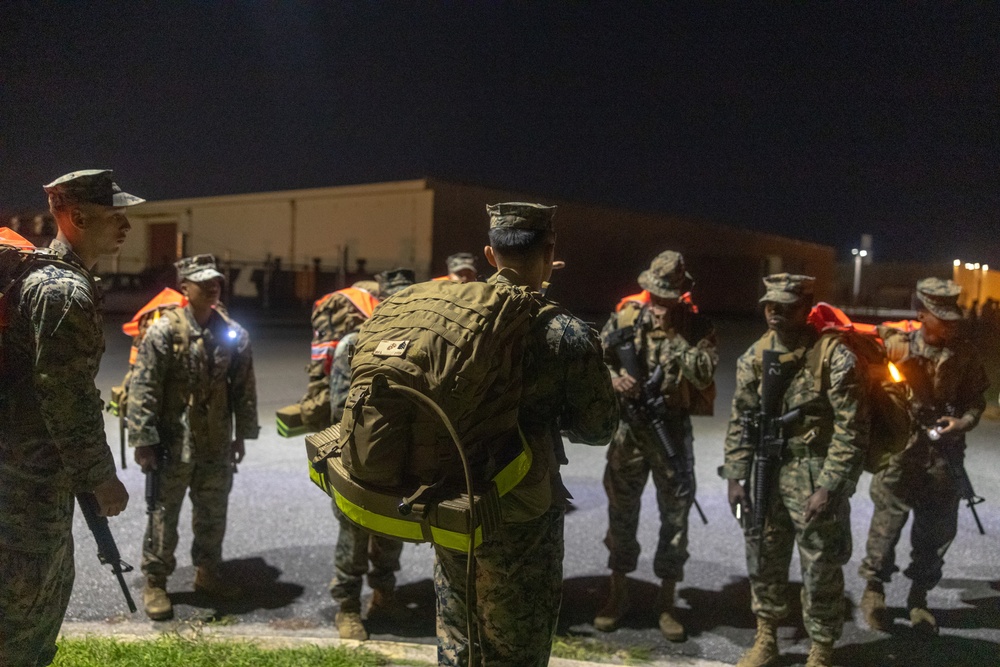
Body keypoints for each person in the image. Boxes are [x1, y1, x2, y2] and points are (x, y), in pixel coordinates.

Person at [435, 202, 618, 666]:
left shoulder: (449, 317)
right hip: (521, 512)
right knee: (516, 646)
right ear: (550, 252)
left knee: (458, 637)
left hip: (451, 498)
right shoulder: (565, 333)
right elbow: (599, 429)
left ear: (489, 254)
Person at [0, 170, 136, 666]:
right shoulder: (61, 291)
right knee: (23, 614)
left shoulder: (51, 279)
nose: (126, 226)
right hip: (26, 482)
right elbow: (66, 396)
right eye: (114, 216)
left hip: (30, 473)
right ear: (77, 216)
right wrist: (100, 476)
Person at [720, 273, 867, 667]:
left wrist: (830, 486)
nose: (776, 313)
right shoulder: (755, 356)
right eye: (770, 305)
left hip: (814, 471)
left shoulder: (834, 357)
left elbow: (852, 430)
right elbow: (741, 419)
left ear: (806, 308)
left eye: (786, 306)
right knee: (763, 555)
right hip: (767, 471)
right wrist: (735, 476)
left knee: (820, 564)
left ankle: (822, 648)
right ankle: (766, 638)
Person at [594, 251, 718, 640]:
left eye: (669, 296)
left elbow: (703, 374)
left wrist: (676, 338)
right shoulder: (626, 318)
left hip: (671, 433)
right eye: (657, 294)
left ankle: (666, 602)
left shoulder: (696, 326)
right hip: (629, 432)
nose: (661, 302)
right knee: (621, 513)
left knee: (675, 519)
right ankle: (618, 594)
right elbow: (594, 360)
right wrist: (614, 379)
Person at [128, 254, 260, 620]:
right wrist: (143, 440)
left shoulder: (232, 333)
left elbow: (243, 388)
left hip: (216, 441)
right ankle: (156, 581)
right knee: (163, 514)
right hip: (172, 443)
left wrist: (242, 435)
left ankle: (208, 573)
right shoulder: (163, 332)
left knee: (213, 512)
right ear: (184, 287)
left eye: (216, 281)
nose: (212, 287)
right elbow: (144, 387)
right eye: (203, 282)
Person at [858, 278, 988, 635]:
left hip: (944, 457)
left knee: (936, 533)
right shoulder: (896, 347)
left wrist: (963, 422)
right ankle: (874, 592)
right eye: (940, 318)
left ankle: (919, 598)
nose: (948, 325)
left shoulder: (964, 355)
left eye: (951, 319)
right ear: (921, 315)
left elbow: (976, 400)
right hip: (899, 456)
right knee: (885, 530)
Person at [327, 268, 414, 640]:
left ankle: (384, 596)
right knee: (353, 536)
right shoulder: (353, 343)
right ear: (380, 302)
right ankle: (347, 607)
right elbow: (338, 407)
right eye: (395, 299)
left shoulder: (418, 345)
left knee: (393, 532)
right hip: (359, 458)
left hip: (402, 458)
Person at [298, 280, 380, 431]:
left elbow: (321, 370)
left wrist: (311, 412)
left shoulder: (333, 306)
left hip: (349, 412)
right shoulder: (385, 302)